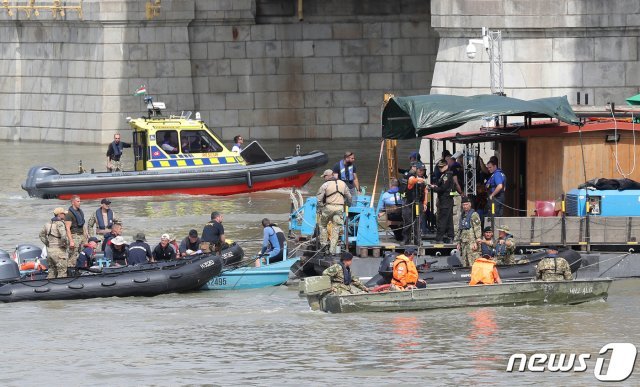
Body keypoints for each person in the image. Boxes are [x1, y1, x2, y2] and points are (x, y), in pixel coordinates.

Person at [316, 169, 352, 255]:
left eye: (324, 176)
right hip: (339, 208)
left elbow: (319, 199)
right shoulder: (343, 184)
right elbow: (349, 197)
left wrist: (321, 207)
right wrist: (347, 205)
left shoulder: (325, 185)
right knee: (336, 229)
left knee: (322, 225)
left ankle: (324, 246)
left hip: (328, 207)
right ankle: (332, 250)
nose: (324, 178)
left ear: (328, 176)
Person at [39, 207, 70, 279]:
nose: (65, 215)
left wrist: (47, 243)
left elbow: (41, 235)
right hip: (59, 251)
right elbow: (64, 236)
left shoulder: (48, 224)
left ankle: (50, 286)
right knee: (62, 271)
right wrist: (64, 245)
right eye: (63, 214)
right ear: (59, 215)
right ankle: (61, 287)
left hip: (50, 251)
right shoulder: (60, 224)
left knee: (51, 271)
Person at [402, 163, 428, 245]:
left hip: (419, 202)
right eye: (420, 170)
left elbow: (425, 192)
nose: (421, 172)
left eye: (423, 170)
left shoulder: (424, 179)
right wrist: (419, 180)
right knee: (408, 221)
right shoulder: (412, 177)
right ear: (416, 170)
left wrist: (425, 203)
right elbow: (410, 181)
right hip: (409, 202)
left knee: (418, 222)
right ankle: (406, 240)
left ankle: (418, 240)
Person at [430, 160, 455, 243]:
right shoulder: (444, 175)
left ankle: (439, 238)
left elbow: (443, 188)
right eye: (439, 167)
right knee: (448, 219)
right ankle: (450, 236)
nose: (440, 168)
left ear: (446, 166)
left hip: (445, 200)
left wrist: (434, 188)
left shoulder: (446, 175)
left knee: (442, 219)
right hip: (446, 200)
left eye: (442, 167)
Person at [455, 196, 482, 267]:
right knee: (465, 261)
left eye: (466, 204)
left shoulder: (474, 214)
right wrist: (458, 242)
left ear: (470, 204)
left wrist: (477, 240)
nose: (465, 206)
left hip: (471, 242)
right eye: (463, 205)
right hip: (464, 242)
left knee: (472, 261)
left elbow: (477, 227)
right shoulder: (462, 215)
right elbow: (460, 229)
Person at [65, 195, 88, 267]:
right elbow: (67, 228)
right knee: (73, 256)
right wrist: (71, 241)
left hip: (82, 236)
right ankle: (71, 271)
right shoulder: (69, 214)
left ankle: (81, 268)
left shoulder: (80, 212)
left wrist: (86, 234)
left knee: (83, 253)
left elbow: (82, 224)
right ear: (73, 202)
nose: (79, 203)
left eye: (80, 201)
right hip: (74, 236)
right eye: (78, 201)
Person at [450, 151, 464, 236]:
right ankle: (455, 234)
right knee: (456, 214)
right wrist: (461, 192)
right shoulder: (455, 167)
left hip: (459, 193)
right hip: (457, 193)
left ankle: (457, 232)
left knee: (459, 213)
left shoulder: (459, 167)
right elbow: (455, 181)